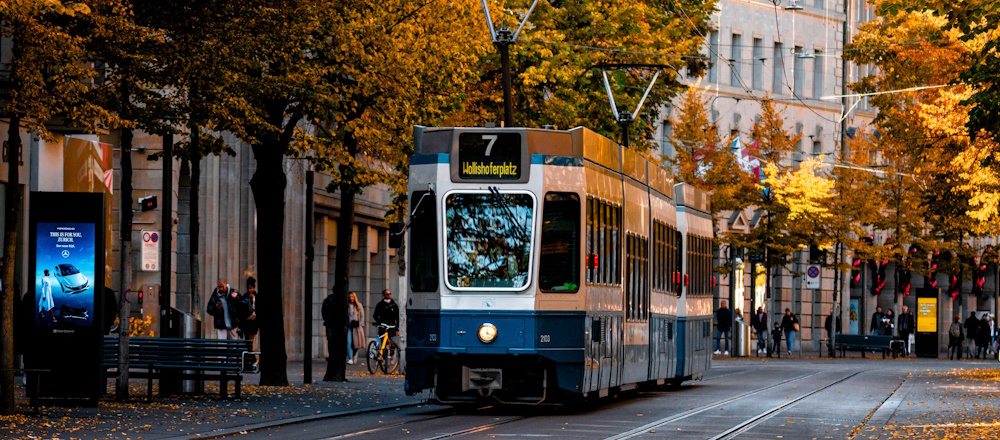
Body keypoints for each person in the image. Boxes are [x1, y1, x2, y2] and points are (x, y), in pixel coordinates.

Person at [238, 277, 259, 365]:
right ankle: (252, 359)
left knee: (251, 342)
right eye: (248, 288)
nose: (250, 290)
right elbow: (242, 309)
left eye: (251, 288)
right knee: (247, 343)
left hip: (253, 324)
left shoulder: (257, 297)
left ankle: (253, 359)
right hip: (246, 323)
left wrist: (253, 301)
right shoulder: (245, 297)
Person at [346, 292, 365, 364]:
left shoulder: (359, 305)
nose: (351, 298)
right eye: (350, 297)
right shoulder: (347, 305)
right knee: (348, 342)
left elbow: (362, 316)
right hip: (349, 326)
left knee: (356, 344)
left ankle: (354, 355)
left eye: (352, 297)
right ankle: (350, 357)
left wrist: (361, 325)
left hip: (356, 327)